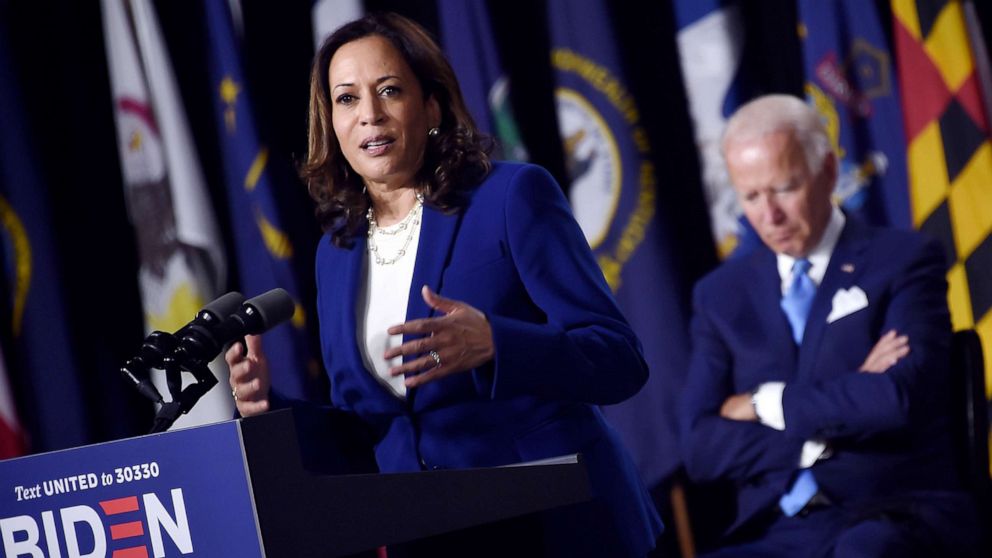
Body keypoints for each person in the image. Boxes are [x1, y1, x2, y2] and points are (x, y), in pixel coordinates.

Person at [225, 12, 662, 557]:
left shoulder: (512, 197)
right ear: (330, 125)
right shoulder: (335, 252)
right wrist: (272, 408)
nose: (369, 115)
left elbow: (620, 359)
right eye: (347, 99)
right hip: (431, 536)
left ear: (430, 107)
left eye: (388, 91)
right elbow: (371, 429)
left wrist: (497, 344)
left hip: (557, 524)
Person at [679, 94, 977, 557]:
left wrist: (764, 402)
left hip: (893, 513)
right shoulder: (720, 295)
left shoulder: (903, 260)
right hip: (777, 529)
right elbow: (700, 448)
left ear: (829, 172)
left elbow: (894, 399)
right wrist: (824, 427)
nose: (769, 215)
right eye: (751, 196)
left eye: (783, 188)